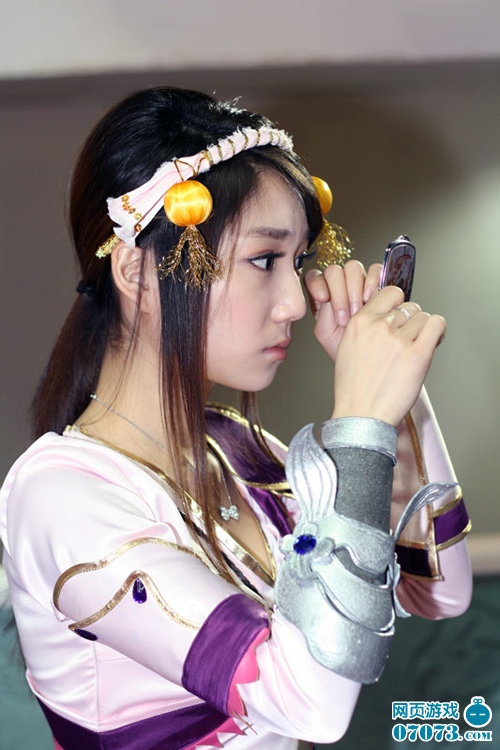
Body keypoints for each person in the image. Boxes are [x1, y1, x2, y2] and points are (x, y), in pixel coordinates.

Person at [0, 86, 472, 750]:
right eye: (264, 259)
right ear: (137, 271)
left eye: (298, 262)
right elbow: (310, 705)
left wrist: (397, 399)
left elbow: (439, 591)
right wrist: (363, 422)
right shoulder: (61, 494)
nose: (295, 302)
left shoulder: (236, 445)